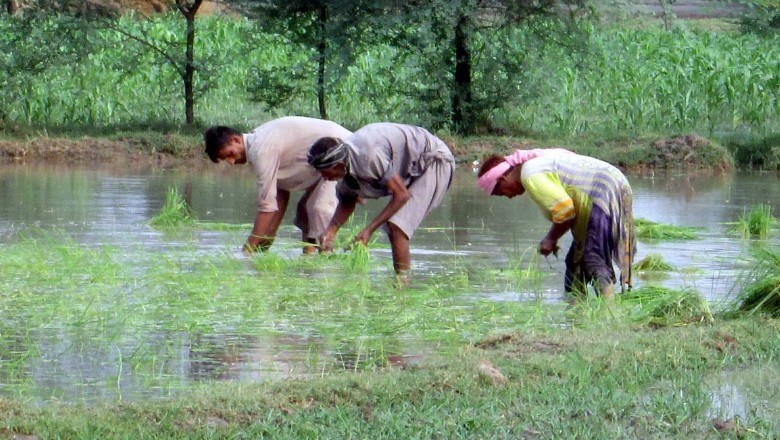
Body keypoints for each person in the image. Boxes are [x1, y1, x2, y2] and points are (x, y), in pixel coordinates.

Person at [476, 149, 635, 298]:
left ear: (502, 179)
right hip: (613, 183)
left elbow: (565, 211)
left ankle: (610, 314)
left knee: (593, 258)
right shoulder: (536, 164)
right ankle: (575, 311)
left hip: (603, 191)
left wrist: (550, 239)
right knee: (574, 263)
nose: (508, 197)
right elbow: (569, 210)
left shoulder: (530, 174)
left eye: (502, 192)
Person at [307, 123, 456, 274]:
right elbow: (347, 200)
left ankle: (401, 287)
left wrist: (369, 230)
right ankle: (400, 282)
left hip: (434, 161)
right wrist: (330, 231)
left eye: (325, 172)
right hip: (410, 167)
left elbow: (401, 195)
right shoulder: (345, 165)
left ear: (338, 165)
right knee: (393, 227)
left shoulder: (368, 156)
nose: (325, 178)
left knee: (396, 227)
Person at [203, 116, 352, 254]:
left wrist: (247, 250)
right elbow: (280, 192)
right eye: (225, 159)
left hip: (340, 152)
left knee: (319, 209)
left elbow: (267, 207)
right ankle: (309, 261)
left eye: (229, 154)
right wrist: (269, 234)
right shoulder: (260, 142)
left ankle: (326, 265)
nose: (231, 162)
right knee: (305, 211)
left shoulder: (262, 150)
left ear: (235, 140)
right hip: (322, 163)